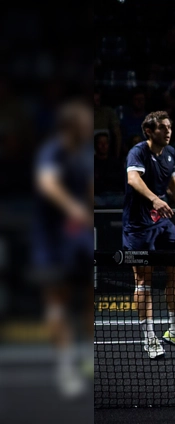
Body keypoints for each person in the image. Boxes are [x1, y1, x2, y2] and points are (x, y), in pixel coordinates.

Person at [123, 111, 175, 358]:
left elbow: (171, 183)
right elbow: (133, 179)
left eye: (169, 127)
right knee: (143, 279)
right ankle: (149, 337)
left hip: (163, 223)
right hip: (139, 225)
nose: (168, 132)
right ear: (149, 131)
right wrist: (155, 200)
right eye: (163, 128)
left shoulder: (169, 153)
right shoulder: (138, 152)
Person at [32, 101, 95, 397]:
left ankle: (86, 357)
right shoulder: (52, 150)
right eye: (85, 122)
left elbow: (89, 188)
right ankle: (65, 367)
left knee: (87, 299)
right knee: (58, 301)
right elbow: (47, 184)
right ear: (72, 125)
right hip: (51, 241)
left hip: (78, 240)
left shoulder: (84, 154)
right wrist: (72, 207)